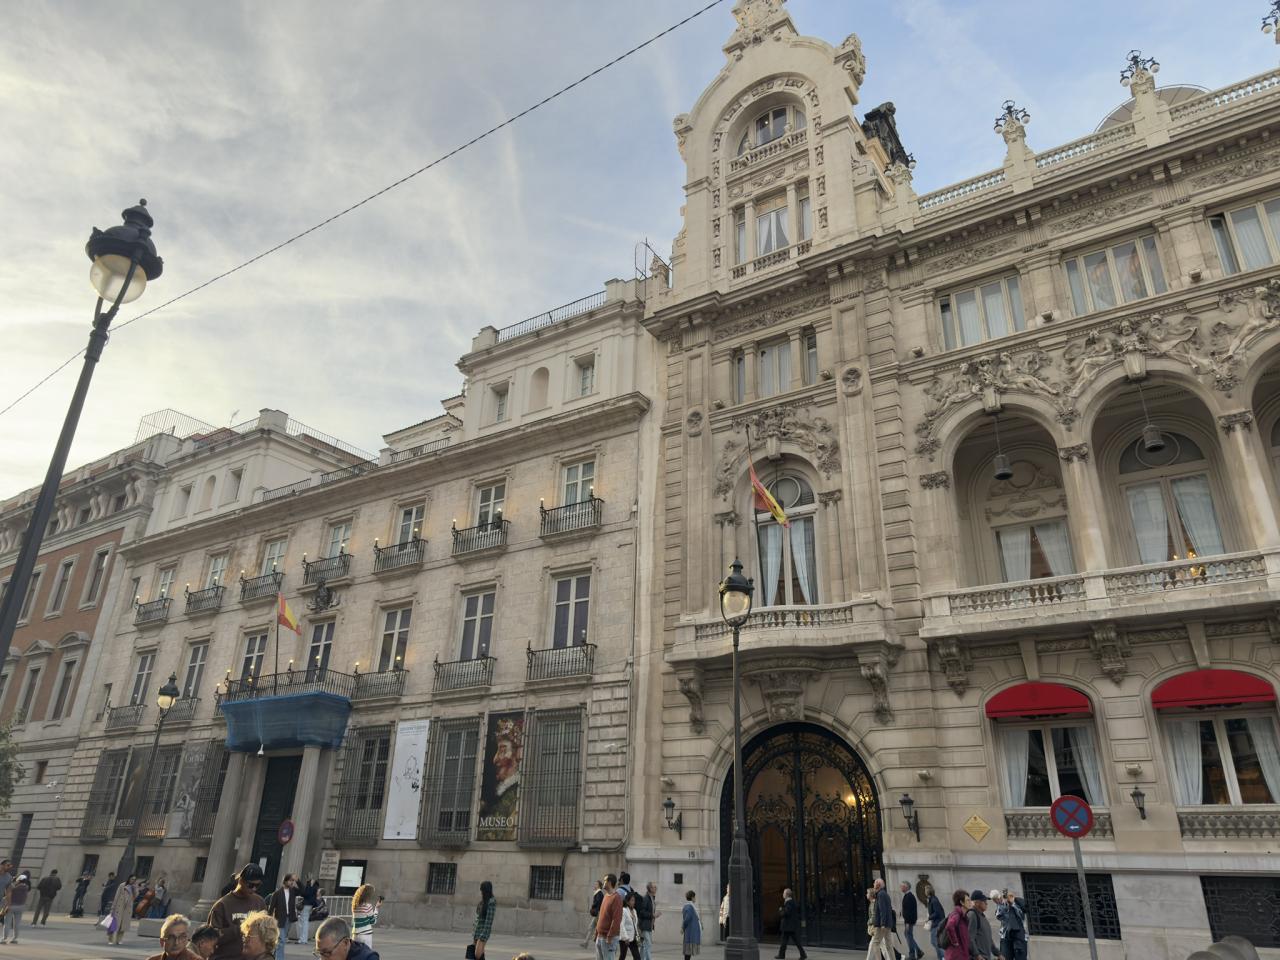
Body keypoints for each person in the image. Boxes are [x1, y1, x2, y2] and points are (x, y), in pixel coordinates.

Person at [207, 862, 266, 960]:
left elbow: (265, 933)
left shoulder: (260, 902)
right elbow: (211, 937)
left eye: (258, 885)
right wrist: (241, 928)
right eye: (251, 885)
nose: (254, 889)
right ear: (241, 880)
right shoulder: (222, 905)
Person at [315, 916, 380, 960]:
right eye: (320, 953)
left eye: (327, 952)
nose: (322, 958)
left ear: (345, 943)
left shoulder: (367, 958)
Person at [268, 873, 298, 959]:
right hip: (279, 920)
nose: (292, 882)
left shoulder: (293, 891)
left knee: (281, 940)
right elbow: (271, 908)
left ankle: (274, 955)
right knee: (281, 940)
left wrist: (298, 881)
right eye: (290, 880)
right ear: (285, 881)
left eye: (293, 881)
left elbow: (303, 891)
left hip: (289, 919)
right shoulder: (277, 893)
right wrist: (269, 921)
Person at [595, 873, 622, 960]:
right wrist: (597, 932)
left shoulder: (616, 898)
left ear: (609, 882)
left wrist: (610, 936)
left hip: (608, 938)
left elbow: (616, 919)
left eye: (605, 880)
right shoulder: (606, 896)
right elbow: (601, 915)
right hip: (600, 936)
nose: (603, 882)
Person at [776, 887, 806, 959]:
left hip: (788, 926)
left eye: (783, 893)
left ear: (786, 895)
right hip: (790, 926)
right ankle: (802, 954)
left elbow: (786, 913)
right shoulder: (792, 902)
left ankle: (782, 955)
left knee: (786, 941)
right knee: (792, 941)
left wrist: (781, 910)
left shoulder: (788, 903)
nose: (783, 894)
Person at [108, 874, 137, 945]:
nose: (133, 880)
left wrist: (135, 889)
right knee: (114, 924)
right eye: (132, 879)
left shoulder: (134, 887)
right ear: (129, 879)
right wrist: (113, 907)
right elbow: (116, 896)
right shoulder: (122, 885)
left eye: (134, 879)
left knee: (123, 925)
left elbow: (135, 896)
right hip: (119, 907)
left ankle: (119, 939)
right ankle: (111, 939)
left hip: (127, 908)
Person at [869, 878, 894, 960]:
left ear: (878, 885)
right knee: (889, 945)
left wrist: (882, 923)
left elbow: (882, 910)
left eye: (874, 883)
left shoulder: (880, 895)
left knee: (875, 943)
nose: (873, 884)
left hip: (882, 924)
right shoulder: (884, 894)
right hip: (887, 923)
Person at [941, 891, 970, 960]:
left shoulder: (963, 916)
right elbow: (950, 926)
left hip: (961, 955)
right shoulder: (956, 914)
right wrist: (955, 942)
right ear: (962, 902)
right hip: (956, 955)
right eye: (968, 900)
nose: (970, 902)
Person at [2, 872, 31, 944]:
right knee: (17, 923)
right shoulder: (26, 888)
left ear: (18, 880)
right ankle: (15, 938)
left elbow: (8, 894)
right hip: (21, 906)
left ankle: (4, 938)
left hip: (11, 906)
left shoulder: (13, 888)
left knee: (7, 923)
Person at [966, 891, 994, 960]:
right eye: (984, 901)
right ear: (977, 903)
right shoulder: (972, 915)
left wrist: (998, 953)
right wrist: (977, 955)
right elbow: (969, 938)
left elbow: (989, 940)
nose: (986, 903)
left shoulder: (982, 917)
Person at [472, 880, 496, 960]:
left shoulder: (491, 902)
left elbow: (489, 921)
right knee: (477, 954)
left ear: (486, 890)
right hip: (477, 931)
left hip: (483, 932)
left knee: (477, 955)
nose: (481, 892)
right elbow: (477, 917)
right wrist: (474, 931)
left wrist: (483, 935)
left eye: (482, 890)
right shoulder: (482, 902)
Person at [636, 882, 657, 960]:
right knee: (648, 944)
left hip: (649, 925)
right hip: (645, 925)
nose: (656, 888)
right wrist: (652, 915)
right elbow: (642, 912)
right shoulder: (646, 898)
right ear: (650, 888)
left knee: (644, 944)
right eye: (654, 887)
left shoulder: (651, 898)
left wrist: (653, 915)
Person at [926, 884, 946, 960]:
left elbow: (937, 913)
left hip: (937, 924)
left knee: (935, 942)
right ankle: (941, 957)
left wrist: (929, 917)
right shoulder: (932, 899)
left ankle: (944, 957)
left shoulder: (934, 900)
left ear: (928, 891)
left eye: (925, 890)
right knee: (935, 942)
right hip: (936, 923)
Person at [297, 877, 320, 945]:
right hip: (310, 905)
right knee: (305, 921)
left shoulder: (310, 885)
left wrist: (307, 886)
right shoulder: (316, 886)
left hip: (307, 904)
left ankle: (302, 939)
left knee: (303, 921)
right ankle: (304, 939)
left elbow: (306, 894)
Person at [901, 881, 920, 960]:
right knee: (908, 935)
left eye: (902, 886)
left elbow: (910, 911)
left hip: (909, 921)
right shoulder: (907, 896)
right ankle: (918, 951)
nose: (901, 888)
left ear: (906, 887)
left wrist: (908, 922)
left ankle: (912, 954)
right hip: (908, 920)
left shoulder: (909, 896)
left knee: (908, 936)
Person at [583, 880, 604, 949]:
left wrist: (593, 906)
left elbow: (597, 902)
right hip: (598, 913)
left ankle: (597, 942)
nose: (595, 885)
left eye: (596, 884)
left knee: (595, 928)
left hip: (598, 913)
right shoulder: (598, 893)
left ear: (599, 886)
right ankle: (586, 943)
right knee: (592, 927)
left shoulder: (599, 893)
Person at [681, 889, 701, 960]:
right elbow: (687, 918)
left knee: (688, 950)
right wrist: (683, 927)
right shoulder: (689, 907)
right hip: (690, 931)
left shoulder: (689, 906)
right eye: (694, 897)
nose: (695, 899)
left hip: (690, 931)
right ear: (692, 897)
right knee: (688, 950)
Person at [620, 892, 640, 960]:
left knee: (637, 957)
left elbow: (635, 924)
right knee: (622, 956)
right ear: (627, 901)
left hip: (633, 938)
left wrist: (637, 935)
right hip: (625, 938)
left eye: (634, 900)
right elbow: (621, 924)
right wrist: (625, 937)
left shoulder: (634, 911)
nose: (634, 902)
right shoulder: (624, 910)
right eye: (632, 900)